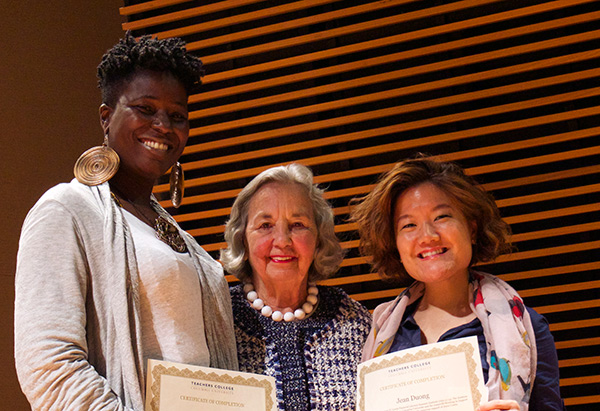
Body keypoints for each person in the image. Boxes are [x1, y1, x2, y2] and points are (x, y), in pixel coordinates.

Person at [14, 33, 238, 410]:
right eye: (145, 109)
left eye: (177, 115)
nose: (163, 125)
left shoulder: (182, 238)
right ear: (106, 117)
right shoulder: (67, 210)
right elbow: (48, 364)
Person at [351, 157, 564, 411]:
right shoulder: (381, 331)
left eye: (441, 217)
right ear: (395, 244)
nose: (427, 236)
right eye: (409, 225)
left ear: (472, 230)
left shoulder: (527, 330)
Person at [220, 163, 371, 410]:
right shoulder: (217, 320)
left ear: (318, 239)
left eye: (298, 224)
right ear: (243, 239)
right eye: (265, 225)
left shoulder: (356, 323)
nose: (282, 241)